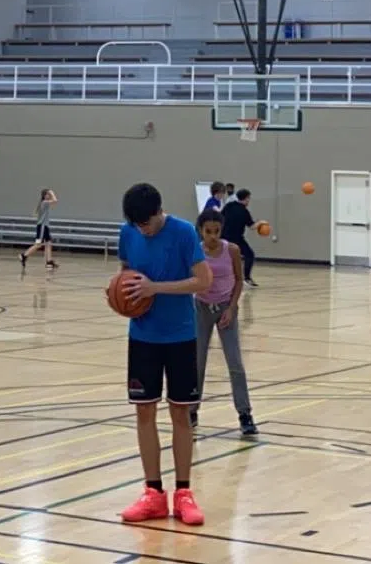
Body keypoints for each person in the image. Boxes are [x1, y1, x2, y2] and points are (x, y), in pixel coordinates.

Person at [115, 182, 212, 526]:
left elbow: (203, 280)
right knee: (144, 413)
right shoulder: (127, 233)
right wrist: (121, 293)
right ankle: (153, 493)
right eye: (137, 225)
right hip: (142, 336)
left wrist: (155, 288)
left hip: (180, 335)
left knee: (180, 415)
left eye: (147, 223)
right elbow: (126, 273)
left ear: (159, 211)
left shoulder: (184, 232)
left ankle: (183, 493)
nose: (143, 229)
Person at [193, 211, 257, 437]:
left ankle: (245, 414)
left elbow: (239, 280)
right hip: (200, 308)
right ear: (200, 230)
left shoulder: (231, 250)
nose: (212, 236)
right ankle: (192, 410)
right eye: (207, 231)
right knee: (197, 362)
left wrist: (231, 308)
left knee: (235, 362)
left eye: (216, 231)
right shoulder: (195, 250)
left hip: (225, 308)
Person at [219, 188, 258, 286]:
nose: (249, 201)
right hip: (237, 239)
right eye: (249, 198)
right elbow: (252, 227)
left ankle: (221, 277)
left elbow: (219, 217)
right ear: (246, 198)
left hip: (223, 237)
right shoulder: (244, 211)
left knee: (223, 257)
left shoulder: (228, 206)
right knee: (249, 255)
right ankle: (247, 278)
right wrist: (261, 223)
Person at [22, 188, 59, 271]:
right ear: (44, 195)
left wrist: (50, 193)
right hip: (42, 226)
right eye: (48, 194)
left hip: (45, 227)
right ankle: (24, 255)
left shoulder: (44, 203)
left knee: (49, 243)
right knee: (38, 244)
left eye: (49, 194)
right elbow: (55, 201)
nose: (49, 196)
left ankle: (49, 262)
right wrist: (52, 193)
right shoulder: (45, 203)